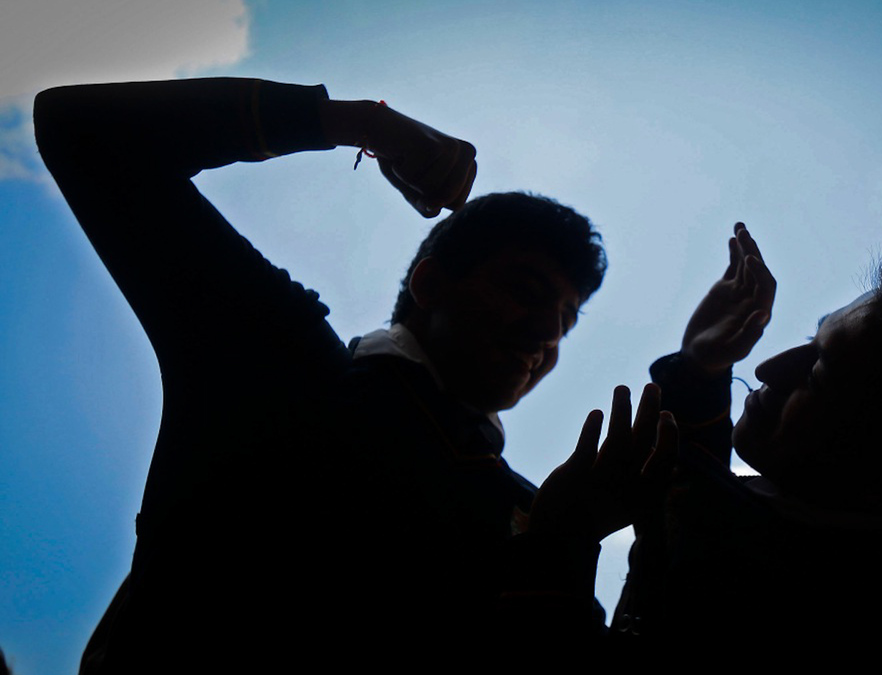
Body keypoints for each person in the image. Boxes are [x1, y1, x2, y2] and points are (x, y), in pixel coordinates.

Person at [34, 77, 605, 671]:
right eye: (525, 291)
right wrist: (359, 123)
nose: (546, 335)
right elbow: (84, 129)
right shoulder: (282, 362)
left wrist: (699, 390)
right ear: (430, 284)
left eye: (567, 320)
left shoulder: (541, 516)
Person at [511, 226, 882, 672]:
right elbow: (720, 511)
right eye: (812, 339)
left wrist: (556, 550)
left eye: (822, 374)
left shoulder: (859, 618)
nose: (772, 366)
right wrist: (701, 367)